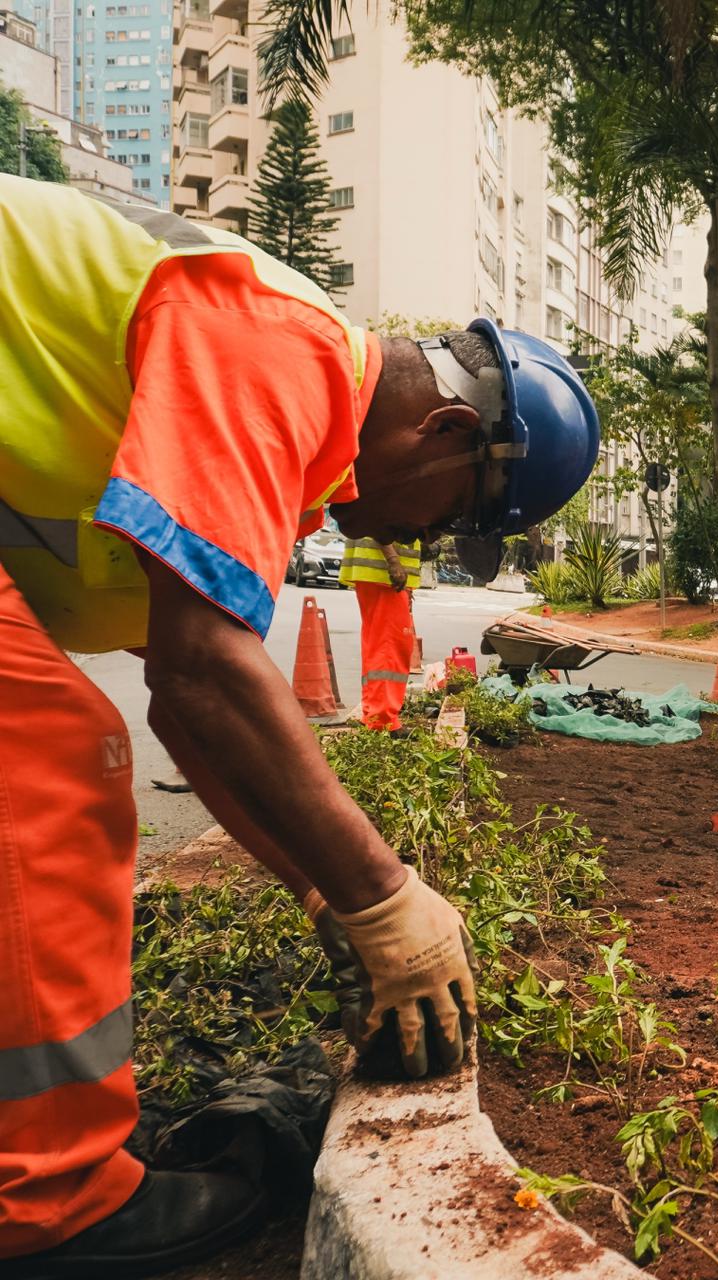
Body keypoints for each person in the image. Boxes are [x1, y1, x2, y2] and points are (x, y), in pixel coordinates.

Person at [0, 175, 599, 1278]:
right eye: (451, 518)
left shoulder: (281, 410)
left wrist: (321, 886)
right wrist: (386, 897)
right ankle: (53, 1202)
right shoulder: (281, 349)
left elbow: (190, 703)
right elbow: (205, 669)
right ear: (447, 429)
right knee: (48, 760)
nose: (419, 542)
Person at [340, 537, 421, 732]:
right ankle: (382, 720)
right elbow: (379, 520)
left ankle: (374, 714)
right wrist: (393, 560)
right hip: (384, 572)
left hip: (380, 572)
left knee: (379, 645)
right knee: (390, 647)